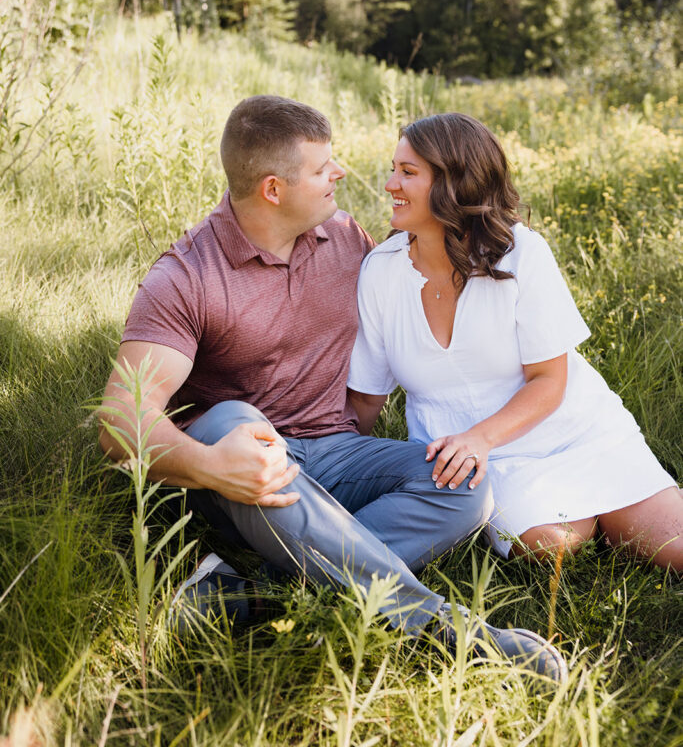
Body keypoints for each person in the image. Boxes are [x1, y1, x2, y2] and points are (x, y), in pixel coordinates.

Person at [98, 95, 568, 681]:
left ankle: (246, 592)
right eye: (323, 169)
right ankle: (453, 633)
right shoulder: (186, 277)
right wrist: (212, 465)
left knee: (466, 483)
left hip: (335, 451)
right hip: (243, 469)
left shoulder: (347, 239)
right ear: (274, 189)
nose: (341, 174)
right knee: (232, 418)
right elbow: (120, 417)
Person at [347, 112, 683, 570]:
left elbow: (549, 379)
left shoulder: (522, 253)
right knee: (550, 544)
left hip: (573, 431)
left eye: (407, 173)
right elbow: (366, 395)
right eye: (394, 168)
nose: (389, 184)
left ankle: (611, 508)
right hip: (473, 460)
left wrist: (481, 437)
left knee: (676, 548)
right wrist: (340, 472)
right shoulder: (381, 271)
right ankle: (592, 520)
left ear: (455, 185)